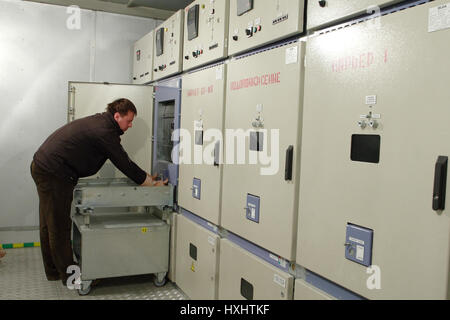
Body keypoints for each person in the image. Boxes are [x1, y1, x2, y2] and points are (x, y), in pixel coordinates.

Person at [30, 98, 167, 285]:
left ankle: (54, 271)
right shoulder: (104, 131)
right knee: (59, 227)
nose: (131, 125)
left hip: (43, 165)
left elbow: (121, 158)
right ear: (117, 116)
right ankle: (71, 278)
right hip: (54, 172)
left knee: (49, 223)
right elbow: (123, 161)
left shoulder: (102, 123)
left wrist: (147, 177)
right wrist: (149, 183)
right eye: (128, 121)